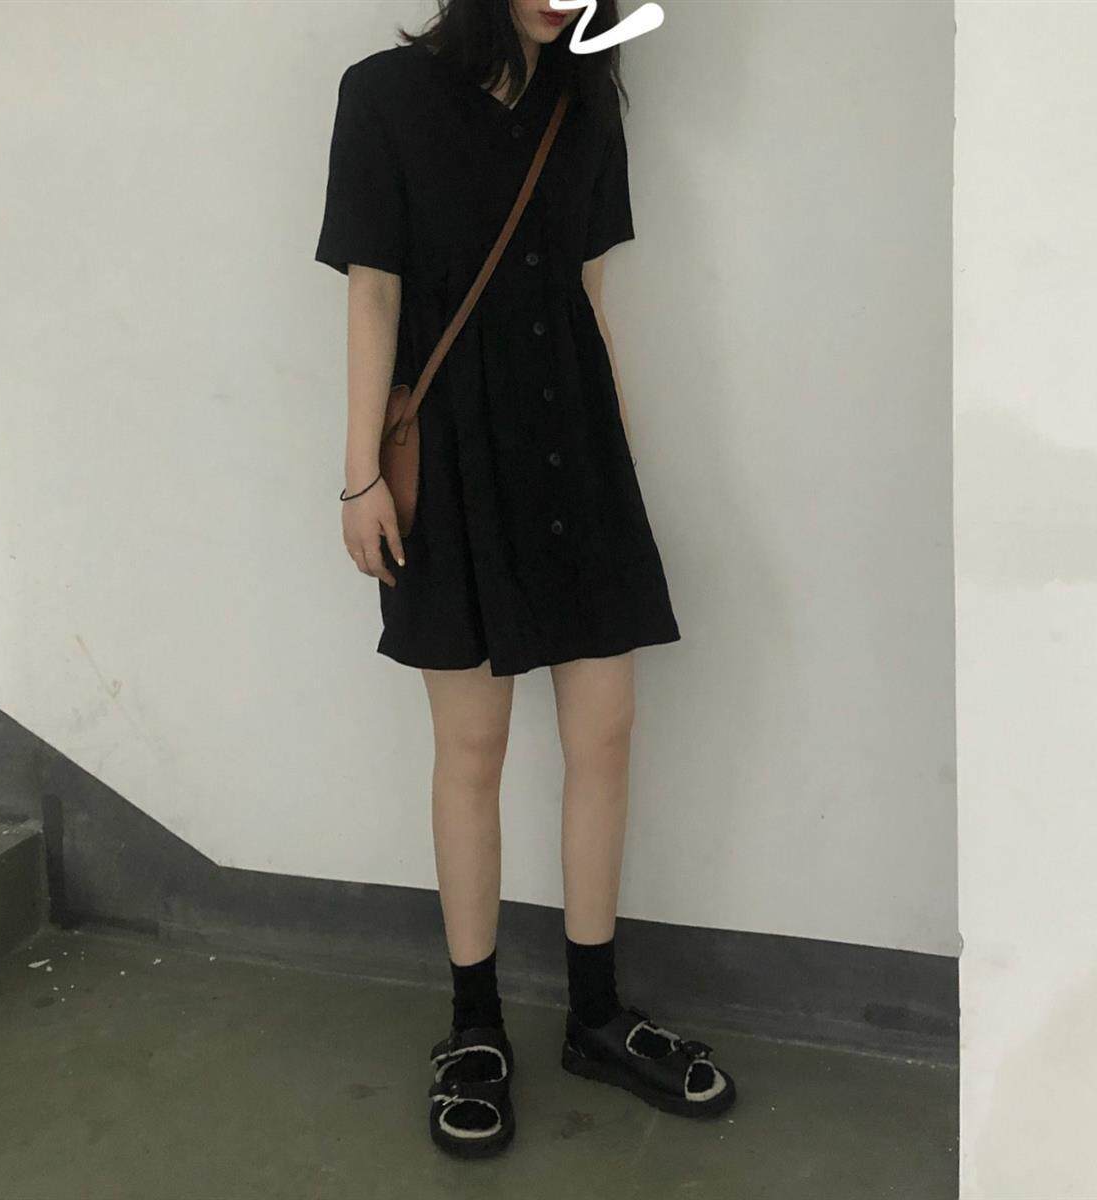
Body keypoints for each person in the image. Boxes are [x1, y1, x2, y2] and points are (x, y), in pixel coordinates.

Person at [314, 0, 736, 1158]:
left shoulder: (587, 98)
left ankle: (596, 1015)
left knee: (606, 734)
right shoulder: (383, 97)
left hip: (575, 450)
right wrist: (361, 478)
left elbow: (589, 297)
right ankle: (475, 1028)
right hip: (449, 460)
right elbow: (372, 291)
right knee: (472, 749)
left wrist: (620, 473)